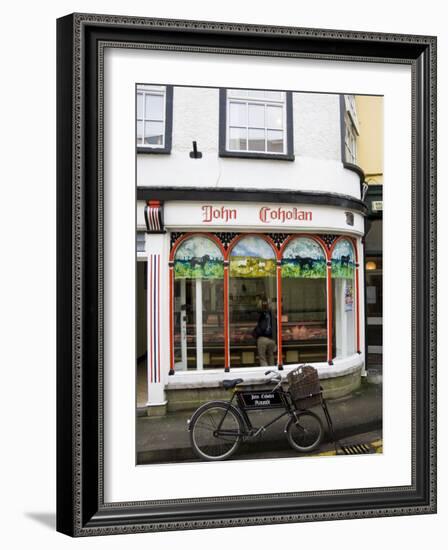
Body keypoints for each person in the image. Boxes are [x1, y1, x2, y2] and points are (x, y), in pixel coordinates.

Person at [253, 299, 277, 366]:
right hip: (272, 339)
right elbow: (276, 327)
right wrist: (276, 341)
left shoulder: (262, 314)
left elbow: (262, 327)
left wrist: (255, 334)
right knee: (271, 356)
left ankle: (265, 371)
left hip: (262, 339)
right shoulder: (273, 315)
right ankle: (272, 369)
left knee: (262, 357)